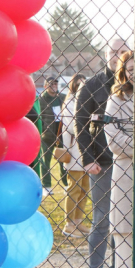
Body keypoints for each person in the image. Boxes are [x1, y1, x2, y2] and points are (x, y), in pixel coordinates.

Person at [75, 37, 130, 268]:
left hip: (131, 162)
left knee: (126, 222)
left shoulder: (133, 83)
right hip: (104, 163)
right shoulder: (93, 85)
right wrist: (88, 158)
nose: (118, 56)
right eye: (113, 51)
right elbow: (80, 124)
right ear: (105, 54)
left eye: (123, 51)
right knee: (102, 220)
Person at [105, 50, 135, 268]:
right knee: (125, 252)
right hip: (125, 181)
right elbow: (115, 143)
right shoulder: (116, 100)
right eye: (129, 68)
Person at [59, 74, 90, 237]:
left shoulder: (86, 102)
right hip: (74, 149)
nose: (81, 89)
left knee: (85, 188)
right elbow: (72, 126)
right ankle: (69, 224)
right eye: (78, 85)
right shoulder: (70, 102)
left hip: (86, 151)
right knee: (74, 187)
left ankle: (78, 221)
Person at [38, 77, 65, 189]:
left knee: (64, 160)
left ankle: (66, 184)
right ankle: (46, 185)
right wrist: (44, 129)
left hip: (61, 134)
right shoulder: (41, 100)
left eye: (55, 84)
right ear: (45, 86)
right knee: (45, 161)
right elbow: (39, 116)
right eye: (51, 84)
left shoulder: (62, 98)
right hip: (47, 135)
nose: (54, 86)